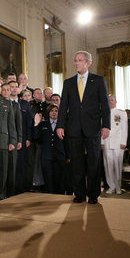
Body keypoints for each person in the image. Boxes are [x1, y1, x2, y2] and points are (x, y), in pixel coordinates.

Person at [56, 51, 111, 204]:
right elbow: (63, 107)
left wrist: (106, 125)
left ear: (88, 62)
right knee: (76, 162)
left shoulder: (99, 80)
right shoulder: (68, 83)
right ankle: (79, 193)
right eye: (75, 60)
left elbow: (105, 105)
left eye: (79, 60)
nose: (76, 63)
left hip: (92, 127)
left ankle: (93, 194)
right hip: (73, 128)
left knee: (93, 161)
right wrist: (60, 125)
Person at [33, 106, 66, 193]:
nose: (54, 113)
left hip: (60, 157)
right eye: (52, 111)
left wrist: (68, 156)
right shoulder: (43, 124)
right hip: (46, 157)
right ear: (48, 112)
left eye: (56, 111)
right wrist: (36, 124)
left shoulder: (63, 124)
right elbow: (36, 137)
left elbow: (67, 142)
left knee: (59, 181)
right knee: (48, 180)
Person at [9, 80, 33, 194]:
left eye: (15, 87)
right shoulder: (5, 102)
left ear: (18, 89)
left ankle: (19, 189)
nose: (14, 89)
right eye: (11, 87)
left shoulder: (24, 103)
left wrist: (28, 138)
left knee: (20, 164)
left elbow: (29, 122)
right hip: (8, 137)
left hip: (22, 138)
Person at [101, 95, 128, 195]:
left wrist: (123, 142)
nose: (110, 102)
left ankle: (118, 187)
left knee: (117, 165)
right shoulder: (103, 113)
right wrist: (101, 142)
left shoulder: (121, 113)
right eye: (108, 100)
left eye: (112, 100)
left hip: (118, 143)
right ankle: (111, 186)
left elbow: (124, 128)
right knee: (108, 166)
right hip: (107, 142)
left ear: (116, 101)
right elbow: (101, 129)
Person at [2, 82, 21, 197]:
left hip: (12, 140)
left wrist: (18, 140)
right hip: (1, 140)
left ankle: (11, 194)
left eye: (8, 90)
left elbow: (18, 124)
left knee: (12, 169)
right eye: (3, 89)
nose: (5, 92)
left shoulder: (15, 105)